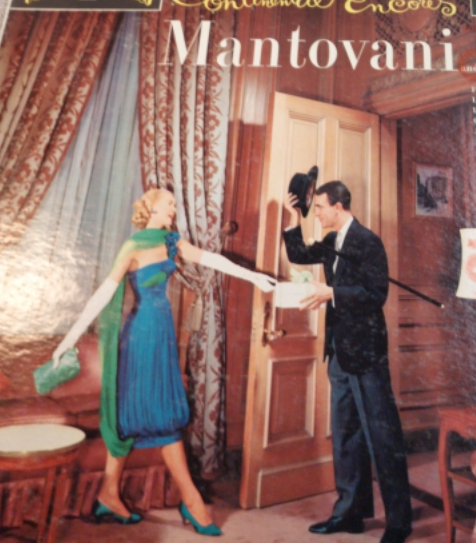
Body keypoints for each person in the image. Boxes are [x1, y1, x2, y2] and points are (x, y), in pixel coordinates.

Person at [53, 187, 275, 535]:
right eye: (168, 203)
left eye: (174, 204)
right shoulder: (132, 246)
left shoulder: (172, 241)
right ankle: (191, 499)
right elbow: (103, 295)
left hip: (162, 336)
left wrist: (253, 276)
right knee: (150, 414)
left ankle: (109, 495)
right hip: (140, 337)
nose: (174, 208)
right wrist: (67, 341)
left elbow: (211, 259)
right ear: (151, 208)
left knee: (154, 412)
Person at [283, 181, 412, 543]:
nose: (317, 214)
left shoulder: (368, 242)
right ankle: (350, 513)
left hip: (366, 353)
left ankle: (399, 523)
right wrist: (294, 218)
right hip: (339, 352)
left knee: (382, 438)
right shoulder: (330, 240)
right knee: (345, 436)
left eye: (319, 208)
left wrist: (331, 293)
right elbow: (298, 255)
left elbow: (376, 294)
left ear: (338, 207)